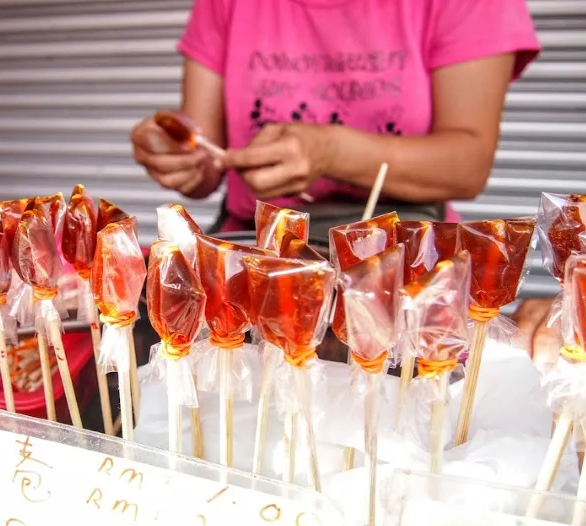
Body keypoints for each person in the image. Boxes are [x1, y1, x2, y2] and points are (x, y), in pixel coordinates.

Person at [130, 0, 550, 351]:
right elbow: (207, 164)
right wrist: (181, 157)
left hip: (407, 274)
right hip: (256, 270)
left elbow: (468, 164)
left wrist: (329, 152)